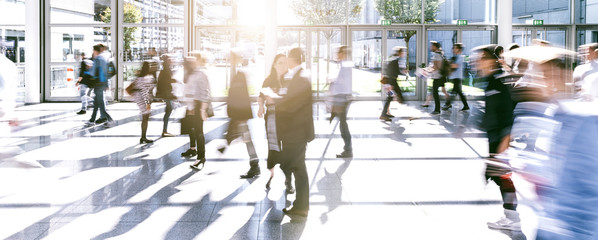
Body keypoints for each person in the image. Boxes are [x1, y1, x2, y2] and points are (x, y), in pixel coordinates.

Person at [474, 45, 520, 231]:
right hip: (494, 137)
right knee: (500, 176)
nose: (477, 62)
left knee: (503, 177)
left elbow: (509, 115)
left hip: (501, 139)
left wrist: (502, 146)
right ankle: (511, 216)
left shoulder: (500, 81)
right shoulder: (490, 80)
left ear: (491, 60)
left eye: (481, 58)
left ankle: (512, 217)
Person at [272, 48, 314, 218]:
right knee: (299, 168)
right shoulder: (299, 75)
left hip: (295, 132)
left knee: (293, 166)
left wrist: (275, 99)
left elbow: (293, 105)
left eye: (288, 57)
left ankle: (301, 206)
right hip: (297, 131)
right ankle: (301, 206)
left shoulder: (300, 77)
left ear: (291, 59)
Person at [218, 50, 260, 178]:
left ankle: (255, 166)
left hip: (240, 116)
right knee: (245, 138)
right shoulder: (238, 74)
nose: (229, 59)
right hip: (239, 115)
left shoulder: (240, 75)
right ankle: (227, 144)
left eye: (231, 57)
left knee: (247, 139)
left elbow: (242, 97)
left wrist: (241, 117)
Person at [259, 53, 295, 193]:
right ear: (274, 64)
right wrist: (261, 106)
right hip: (272, 118)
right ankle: (271, 174)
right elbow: (260, 96)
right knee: (273, 147)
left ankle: (289, 181)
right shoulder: (268, 80)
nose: (283, 65)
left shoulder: (290, 80)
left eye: (285, 63)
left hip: (287, 119)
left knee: (287, 149)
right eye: (280, 62)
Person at [181, 55, 211, 170]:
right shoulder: (191, 75)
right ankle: (194, 151)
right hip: (192, 107)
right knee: (192, 130)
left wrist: (203, 110)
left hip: (198, 106)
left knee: (199, 131)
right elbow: (188, 91)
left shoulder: (200, 74)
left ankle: (201, 157)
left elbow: (205, 93)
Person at [329, 46, 353, 158]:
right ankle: (348, 149)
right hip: (341, 99)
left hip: (342, 99)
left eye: (338, 52)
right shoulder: (343, 65)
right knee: (343, 125)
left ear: (343, 53)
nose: (337, 54)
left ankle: (348, 150)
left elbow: (344, 86)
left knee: (343, 126)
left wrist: (340, 103)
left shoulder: (345, 66)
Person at [87, 44, 113, 126]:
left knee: (99, 102)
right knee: (98, 101)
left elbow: (93, 72)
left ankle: (106, 118)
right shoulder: (104, 58)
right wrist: (106, 84)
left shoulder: (98, 59)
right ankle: (96, 118)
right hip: (102, 82)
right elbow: (105, 72)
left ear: (95, 51)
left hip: (98, 83)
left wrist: (89, 69)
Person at [131, 61, 155, 144]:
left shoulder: (140, 77)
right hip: (142, 99)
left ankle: (143, 136)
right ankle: (143, 137)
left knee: (145, 117)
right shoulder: (144, 78)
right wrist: (147, 103)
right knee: (145, 118)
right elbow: (145, 92)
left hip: (138, 97)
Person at [380, 46, 406, 121]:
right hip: (392, 82)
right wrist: (403, 72)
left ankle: (385, 113)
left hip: (389, 81)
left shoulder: (392, 59)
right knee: (392, 97)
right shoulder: (395, 60)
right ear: (399, 53)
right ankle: (383, 114)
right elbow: (394, 72)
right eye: (402, 52)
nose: (403, 54)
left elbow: (389, 70)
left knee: (390, 97)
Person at [155, 55, 177, 137]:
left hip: (166, 92)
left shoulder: (165, 69)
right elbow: (165, 81)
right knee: (169, 109)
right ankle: (164, 131)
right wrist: (174, 80)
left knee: (169, 110)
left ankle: (165, 130)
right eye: (170, 59)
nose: (171, 60)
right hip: (166, 93)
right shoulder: (165, 70)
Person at [426, 41, 450, 115]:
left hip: (438, 77)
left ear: (435, 47)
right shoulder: (440, 54)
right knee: (441, 91)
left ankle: (437, 110)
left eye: (431, 46)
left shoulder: (437, 55)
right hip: (440, 76)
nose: (430, 47)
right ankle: (448, 102)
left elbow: (437, 67)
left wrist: (428, 70)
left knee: (435, 93)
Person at [445, 43, 469, 111]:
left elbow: (455, 66)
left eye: (455, 48)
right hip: (456, 77)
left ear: (459, 49)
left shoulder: (461, 57)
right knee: (457, 92)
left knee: (456, 92)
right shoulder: (456, 56)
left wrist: (447, 63)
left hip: (458, 77)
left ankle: (448, 104)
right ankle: (465, 105)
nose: (453, 49)